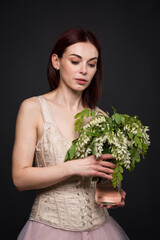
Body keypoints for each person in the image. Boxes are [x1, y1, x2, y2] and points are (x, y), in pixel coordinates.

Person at [12, 27, 129, 240]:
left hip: (100, 228)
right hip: (49, 229)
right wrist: (73, 166)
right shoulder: (33, 108)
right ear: (56, 62)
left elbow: (101, 175)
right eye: (75, 61)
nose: (84, 70)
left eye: (91, 64)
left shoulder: (101, 116)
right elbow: (20, 178)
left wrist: (111, 193)